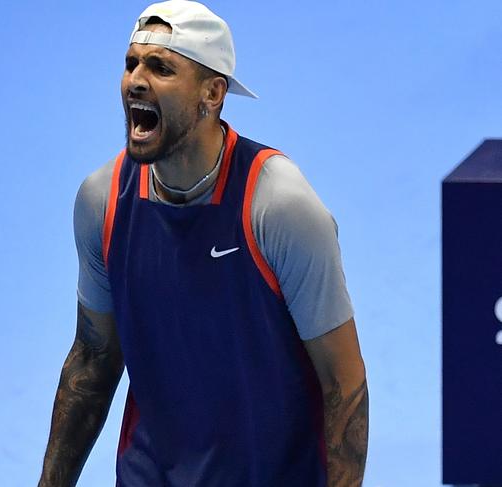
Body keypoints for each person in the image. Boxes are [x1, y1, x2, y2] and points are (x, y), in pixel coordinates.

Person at [38, 1, 368, 486]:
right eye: (131, 64)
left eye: (161, 68)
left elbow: (344, 383)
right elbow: (93, 357)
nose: (136, 81)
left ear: (212, 93)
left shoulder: (278, 206)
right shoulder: (102, 202)